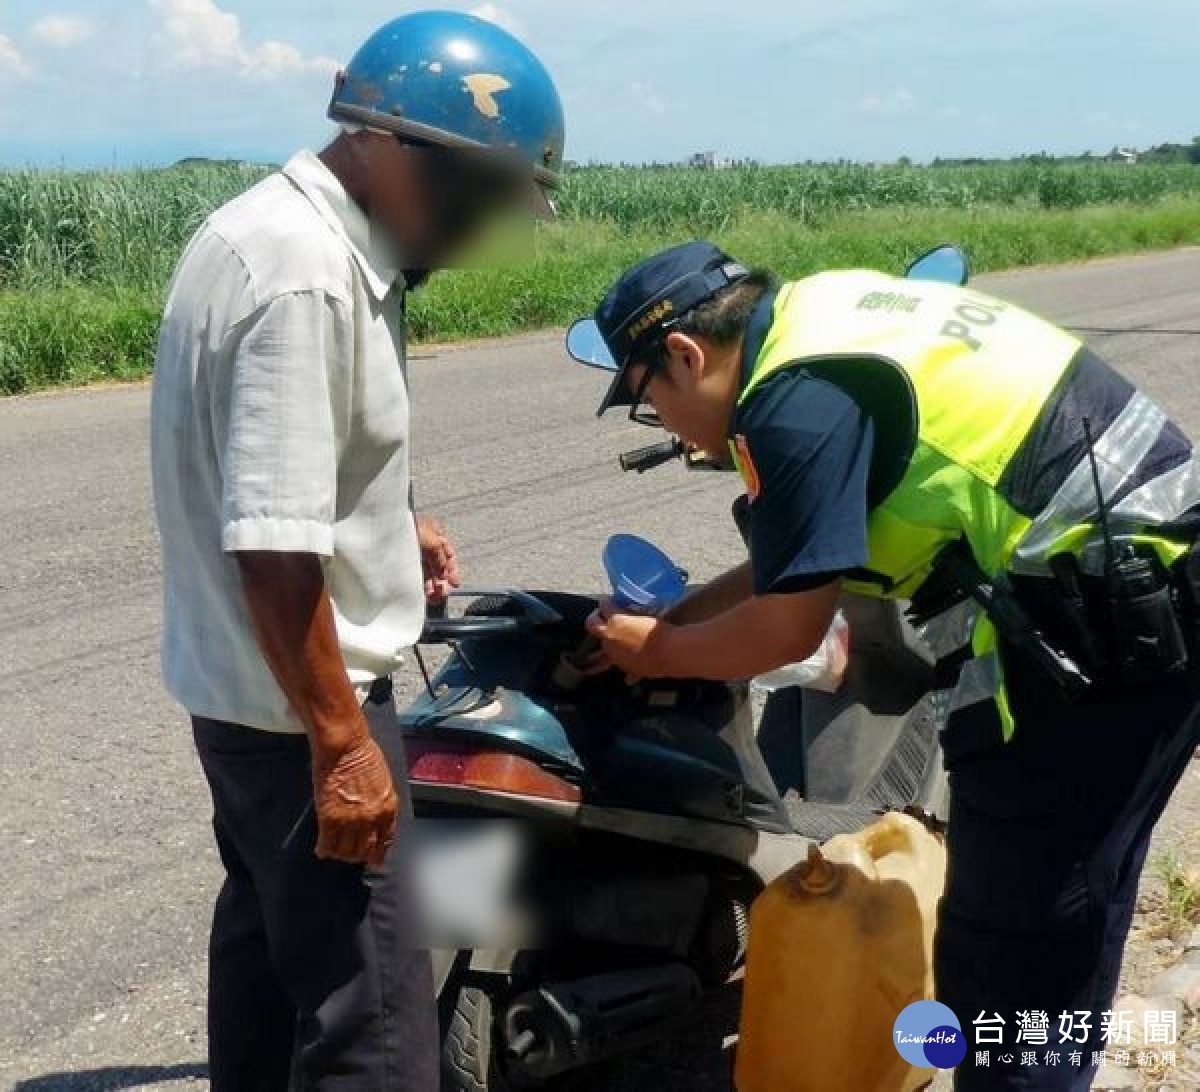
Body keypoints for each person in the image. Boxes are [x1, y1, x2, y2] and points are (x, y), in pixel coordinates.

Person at [567, 240, 1200, 1091]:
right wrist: (677, 616)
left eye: (652, 404)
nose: (668, 430)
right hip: (1143, 584)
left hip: (1098, 626)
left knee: (1013, 942)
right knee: (1074, 898)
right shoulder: (819, 320)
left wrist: (664, 654)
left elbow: (790, 629)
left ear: (684, 355)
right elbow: (799, 554)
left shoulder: (789, 403)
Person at [151, 11, 564, 1090]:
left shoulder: (272, 231)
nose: (472, 231)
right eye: (470, 196)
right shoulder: (308, 278)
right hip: (304, 712)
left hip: (243, 706)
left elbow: (287, 460)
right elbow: (275, 547)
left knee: (270, 971)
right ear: (379, 144)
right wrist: (343, 747)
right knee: (376, 1028)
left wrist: (393, 515)